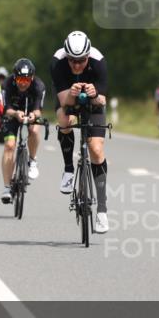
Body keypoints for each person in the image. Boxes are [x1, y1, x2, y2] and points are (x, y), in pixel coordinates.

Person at [51, 30, 110, 234]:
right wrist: (72, 93)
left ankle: (102, 211)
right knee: (64, 119)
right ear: (66, 56)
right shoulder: (58, 63)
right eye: (72, 61)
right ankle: (68, 169)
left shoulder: (98, 61)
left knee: (95, 149)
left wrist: (94, 94)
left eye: (81, 61)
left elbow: (103, 100)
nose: (77, 65)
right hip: (67, 98)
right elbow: (62, 101)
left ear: (88, 56)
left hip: (93, 104)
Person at [0, 58, 45, 204]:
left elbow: (38, 110)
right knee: (10, 146)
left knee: (34, 130)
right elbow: (6, 109)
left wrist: (33, 116)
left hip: (30, 114)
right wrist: (16, 114)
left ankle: (32, 160)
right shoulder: (6, 84)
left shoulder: (39, 86)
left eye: (26, 79)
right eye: (19, 79)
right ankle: (7, 188)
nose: (22, 82)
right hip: (12, 115)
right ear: (14, 77)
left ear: (32, 78)